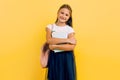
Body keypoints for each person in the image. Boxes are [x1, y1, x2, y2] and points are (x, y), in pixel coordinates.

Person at [46, 4, 77, 80]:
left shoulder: (69, 29)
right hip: (55, 58)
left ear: (69, 17)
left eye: (66, 15)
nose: (63, 16)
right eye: (62, 13)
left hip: (67, 58)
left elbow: (71, 47)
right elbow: (49, 40)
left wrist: (55, 46)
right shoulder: (50, 27)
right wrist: (67, 40)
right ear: (57, 13)